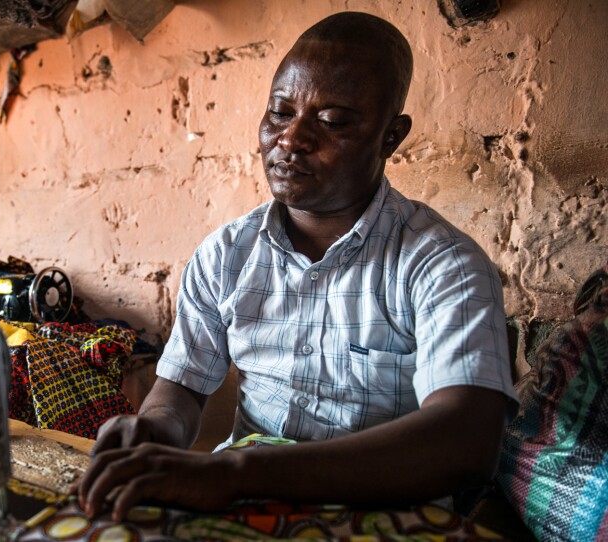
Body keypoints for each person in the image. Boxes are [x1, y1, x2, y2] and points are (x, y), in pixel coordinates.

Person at [76, 12, 517, 521]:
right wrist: (151, 429)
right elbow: (181, 391)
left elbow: (465, 443)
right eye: (280, 112)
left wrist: (236, 475)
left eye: (332, 122)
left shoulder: (443, 265)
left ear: (390, 137)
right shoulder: (226, 256)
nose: (292, 139)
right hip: (240, 504)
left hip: (384, 518)